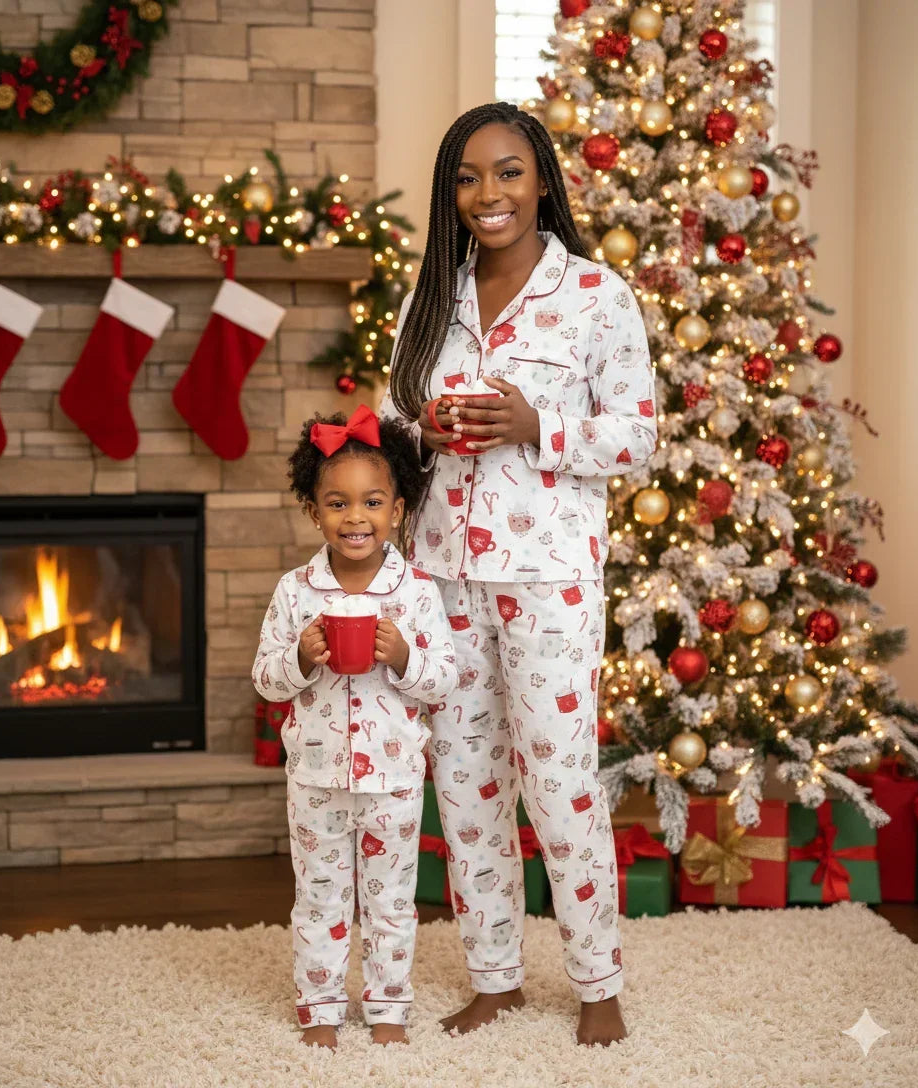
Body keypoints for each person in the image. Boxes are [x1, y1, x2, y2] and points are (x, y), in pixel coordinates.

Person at [379, 102, 656, 1046]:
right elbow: (391, 424)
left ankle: (598, 983)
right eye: (467, 177)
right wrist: (426, 430)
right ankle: (494, 978)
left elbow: (638, 437)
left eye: (506, 172)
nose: (487, 193)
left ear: (541, 181)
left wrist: (539, 427)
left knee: (560, 781)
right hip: (442, 576)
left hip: (550, 579)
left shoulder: (596, 294)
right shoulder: (431, 299)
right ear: (449, 193)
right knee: (464, 784)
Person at [252, 405, 457, 1049]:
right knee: (320, 899)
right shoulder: (295, 591)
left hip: (394, 779)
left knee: (391, 900)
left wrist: (403, 658)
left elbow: (443, 680)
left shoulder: (416, 591)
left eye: (372, 502)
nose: (355, 517)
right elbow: (265, 681)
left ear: (397, 509)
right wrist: (299, 658)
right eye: (337, 503)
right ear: (315, 512)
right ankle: (320, 1007)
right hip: (315, 779)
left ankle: (389, 1006)